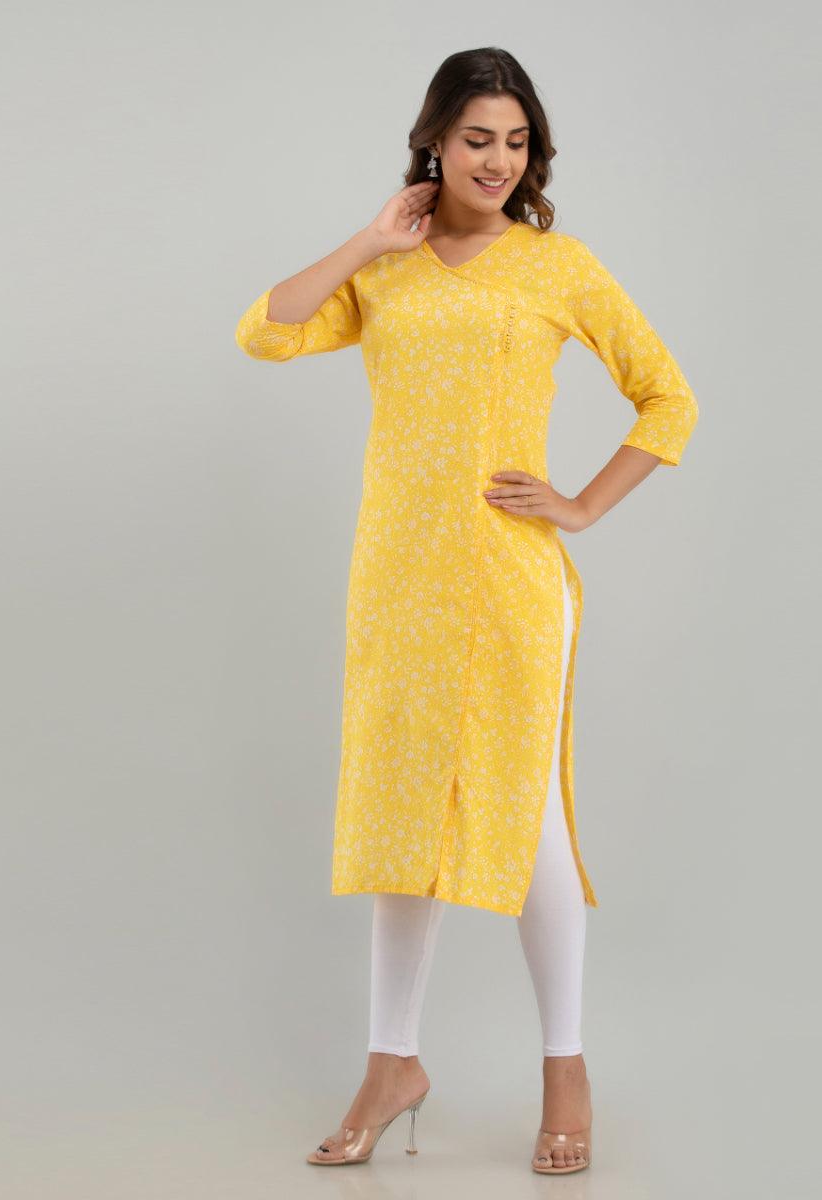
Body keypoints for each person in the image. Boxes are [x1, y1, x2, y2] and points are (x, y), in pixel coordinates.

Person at [234, 47, 699, 1175]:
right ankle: (392, 1061)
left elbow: (668, 398)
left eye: (517, 142)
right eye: (478, 138)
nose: (498, 161)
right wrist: (369, 240)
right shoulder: (387, 271)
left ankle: (566, 1066)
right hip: (398, 577)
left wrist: (581, 505)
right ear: (435, 140)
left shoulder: (557, 266)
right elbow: (266, 330)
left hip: (506, 580)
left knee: (526, 817)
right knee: (403, 817)